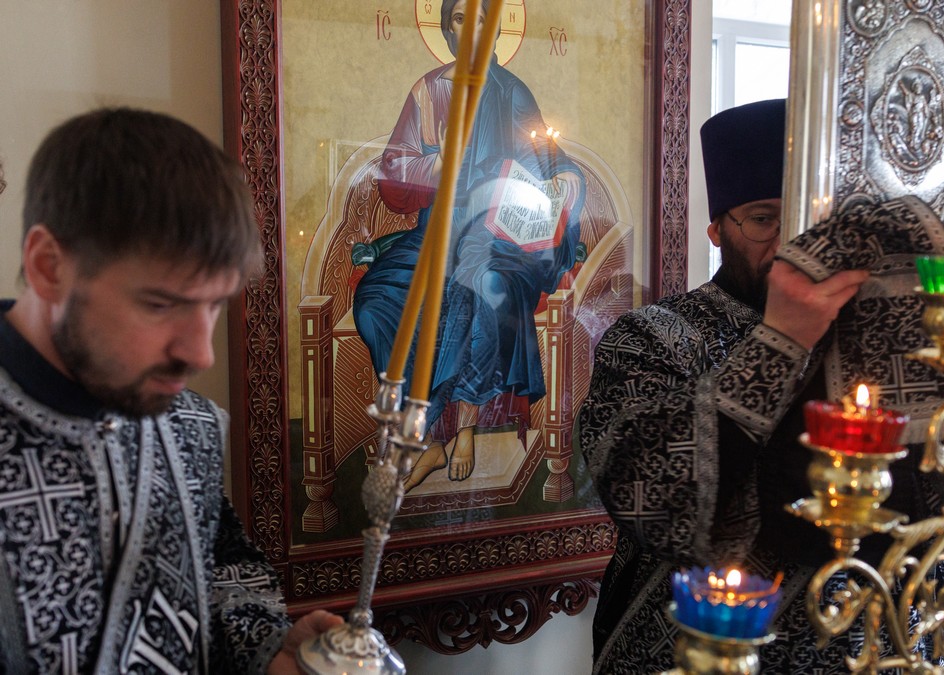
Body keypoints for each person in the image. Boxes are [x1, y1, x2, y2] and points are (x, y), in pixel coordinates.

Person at [0, 108, 340, 673]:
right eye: (160, 305)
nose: (201, 355)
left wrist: (266, 650)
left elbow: (216, 574)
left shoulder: (188, 426)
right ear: (49, 267)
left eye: (215, 305)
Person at [578, 99, 911, 673]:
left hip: (863, 646)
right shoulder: (648, 338)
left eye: (810, 222)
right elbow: (650, 499)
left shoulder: (875, 339)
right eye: (763, 219)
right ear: (716, 229)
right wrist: (783, 338)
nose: (792, 244)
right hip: (687, 649)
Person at [352, 0, 586, 489]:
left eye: (483, 19)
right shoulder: (428, 91)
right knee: (375, 302)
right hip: (435, 232)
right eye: (461, 18)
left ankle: (464, 431)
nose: (473, 30)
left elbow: (545, 156)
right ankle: (427, 440)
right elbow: (393, 171)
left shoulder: (512, 92)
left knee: (479, 287)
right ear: (447, 29)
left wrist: (564, 179)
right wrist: (439, 164)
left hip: (498, 234)